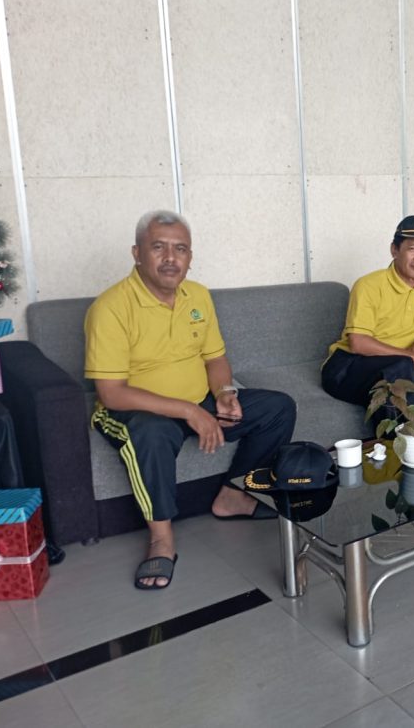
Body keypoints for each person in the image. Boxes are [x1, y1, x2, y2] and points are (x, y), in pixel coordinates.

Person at [85, 211, 297, 590]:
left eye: (180, 249)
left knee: (277, 408)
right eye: (159, 247)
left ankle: (232, 496)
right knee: (151, 434)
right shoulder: (111, 308)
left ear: (190, 256)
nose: (171, 258)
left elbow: (215, 359)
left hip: (198, 400)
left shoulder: (197, 296)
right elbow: (111, 392)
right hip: (134, 410)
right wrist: (189, 411)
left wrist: (224, 393)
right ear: (137, 253)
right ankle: (161, 539)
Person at [322, 215, 414, 415]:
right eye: (412, 249)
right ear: (394, 250)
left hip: (396, 364)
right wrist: (413, 356)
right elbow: (358, 343)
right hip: (348, 367)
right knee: (401, 367)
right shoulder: (368, 286)